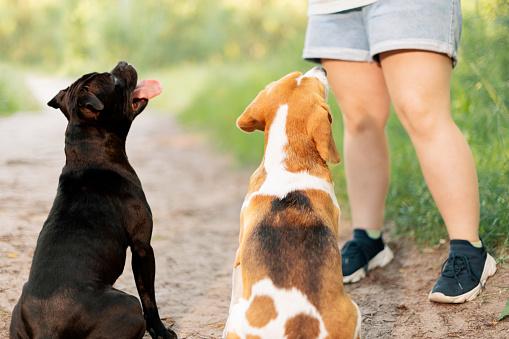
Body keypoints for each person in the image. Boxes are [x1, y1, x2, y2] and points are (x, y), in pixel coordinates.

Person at [302, 0, 497, 303]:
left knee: (422, 112)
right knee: (360, 120)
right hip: (335, 7)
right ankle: (368, 240)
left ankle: (469, 250)